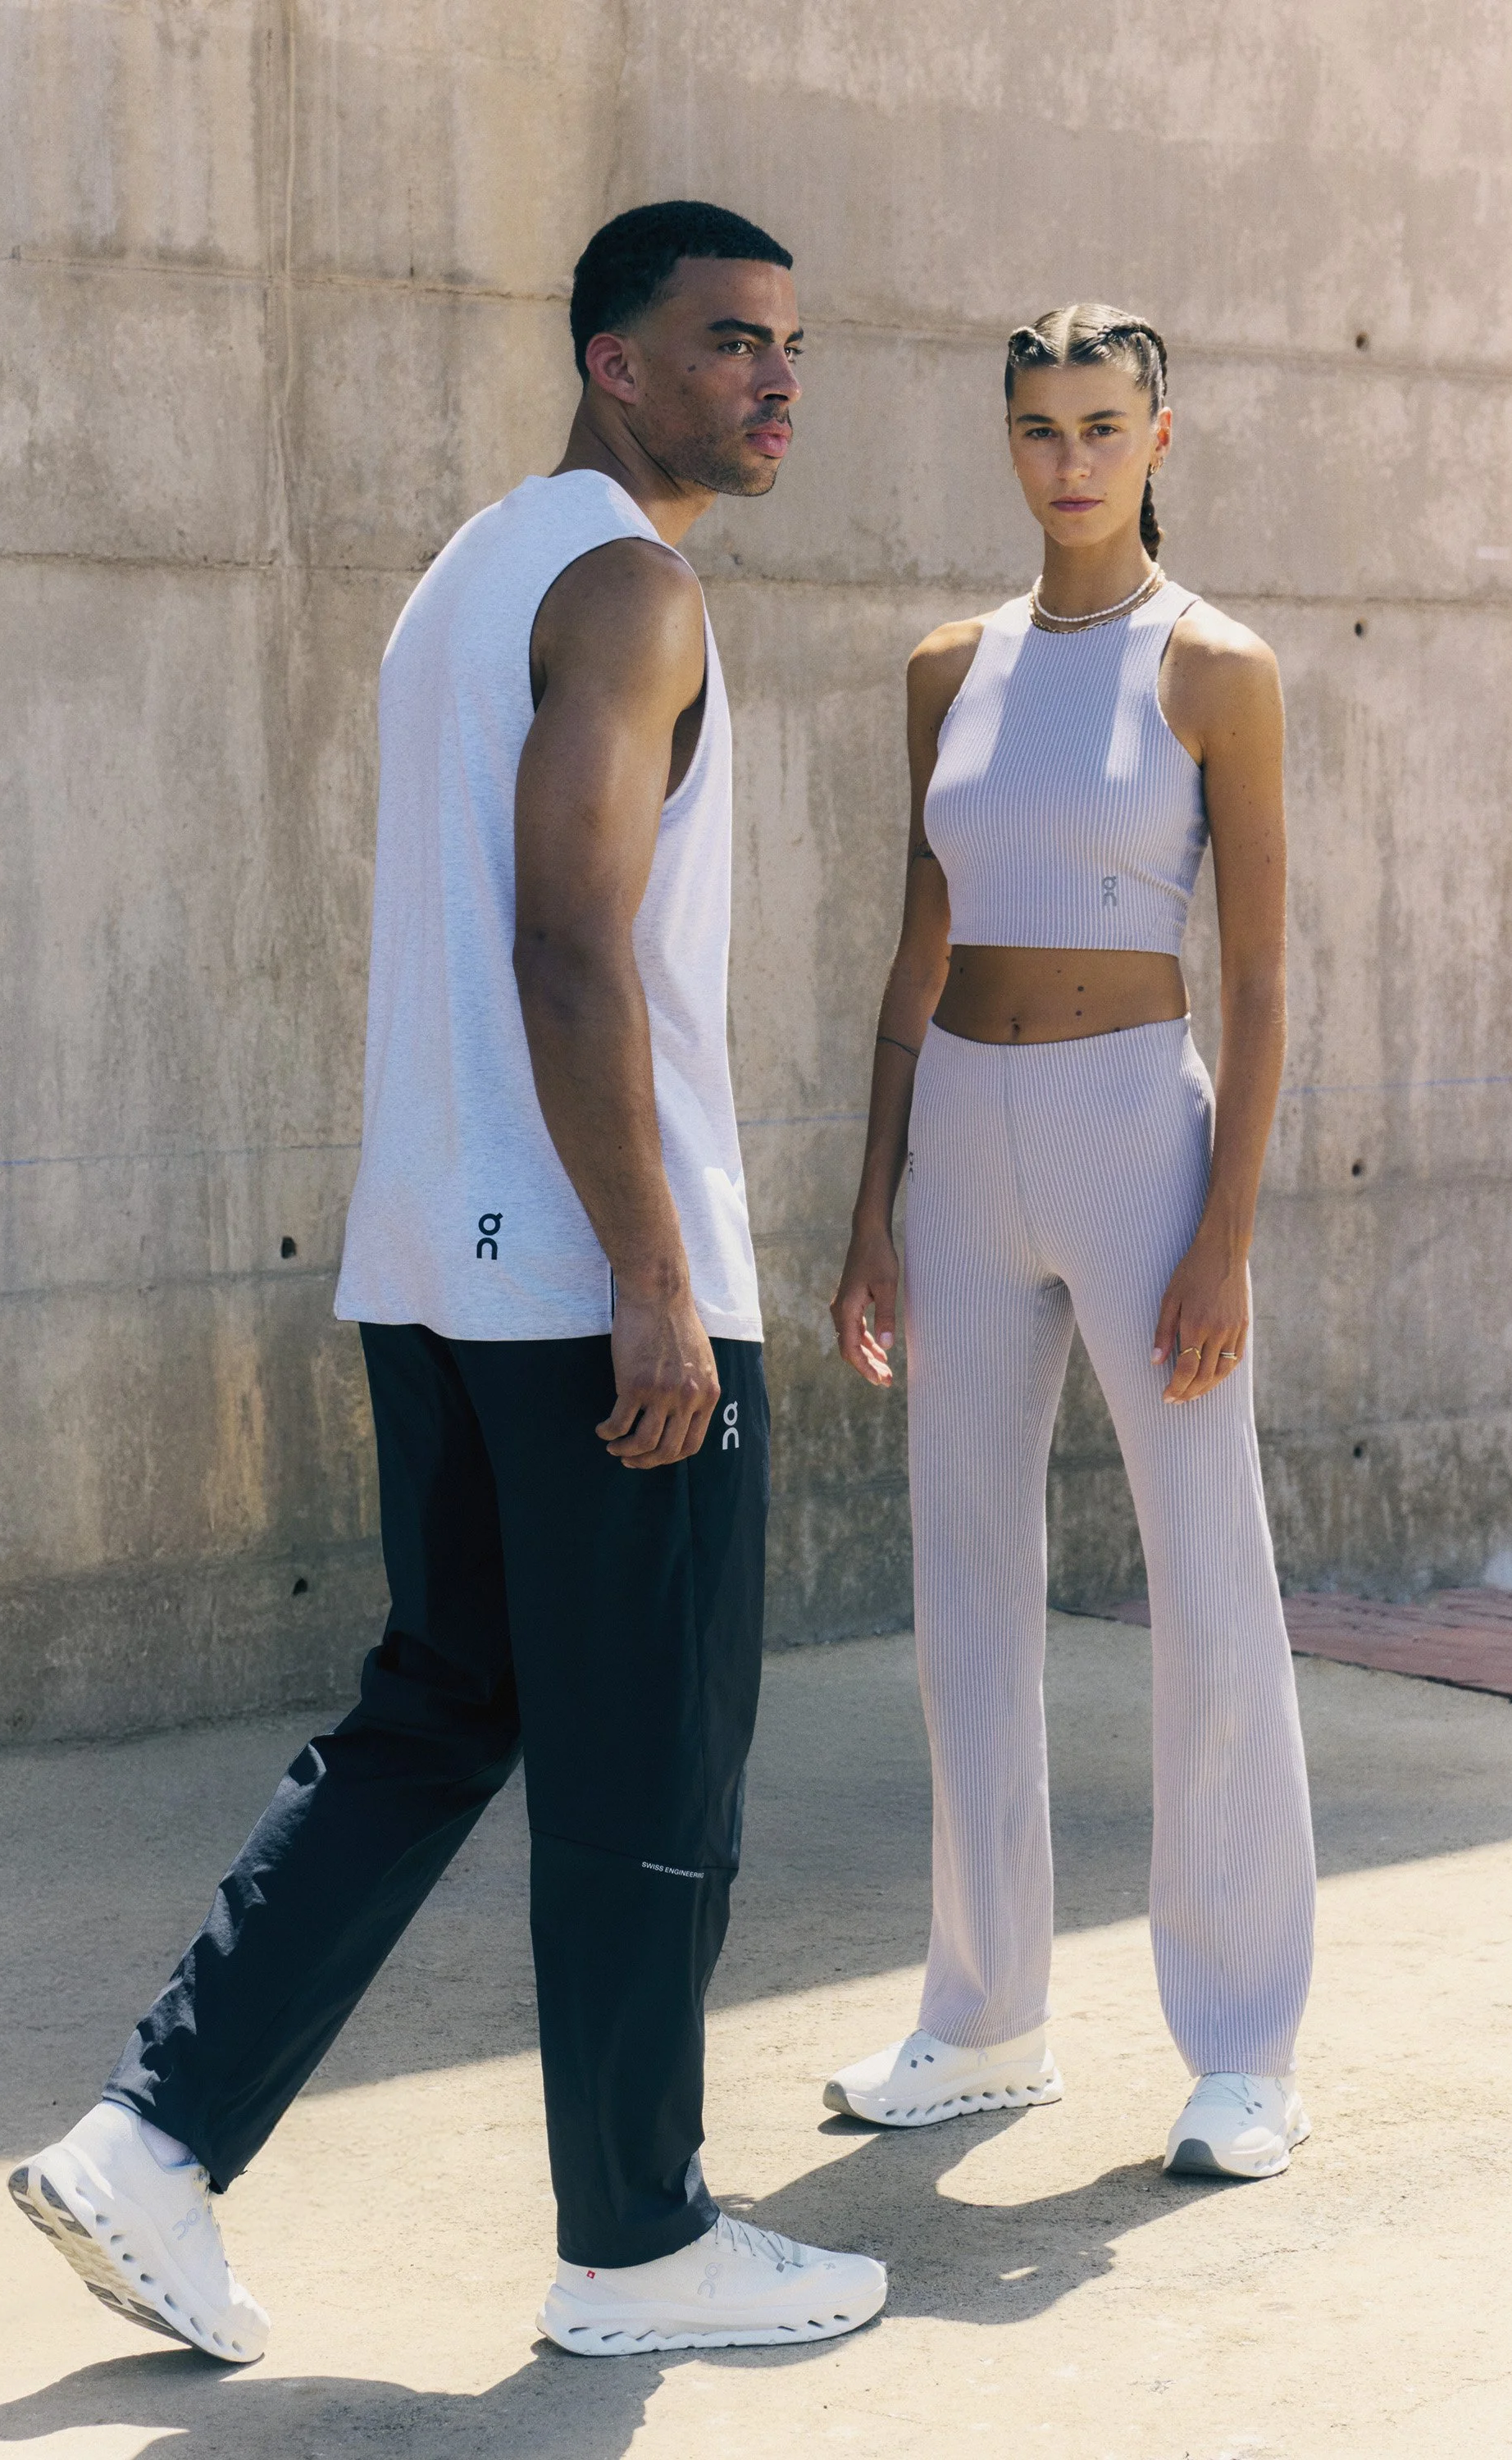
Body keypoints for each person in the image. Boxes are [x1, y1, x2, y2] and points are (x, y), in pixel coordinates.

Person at [8, 200, 886, 2361]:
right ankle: (639, 2241)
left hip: (445, 1249)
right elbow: (568, 943)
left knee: (443, 1710)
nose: (773, 378)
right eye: (725, 341)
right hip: (584, 1270)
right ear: (613, 358)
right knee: (651, 1763)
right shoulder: (630, 589)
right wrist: (657, 1281)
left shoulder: (466, 578)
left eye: (791, 344)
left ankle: (154, 2140)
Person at [824, 303, 1317, 2182]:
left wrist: (1229, 1231)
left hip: (1135, 1131)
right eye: (1036, 428)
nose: (1068, 461)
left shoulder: (1218, 669)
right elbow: (913, 947)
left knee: (1209, 1575)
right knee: (961, 1578)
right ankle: (981, 2013)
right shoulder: (947, 664)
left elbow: (1262, 975)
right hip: (959, 1131)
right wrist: (869, 1199)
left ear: (1161, 439)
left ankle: (1246, 2041)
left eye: (1102, 425)